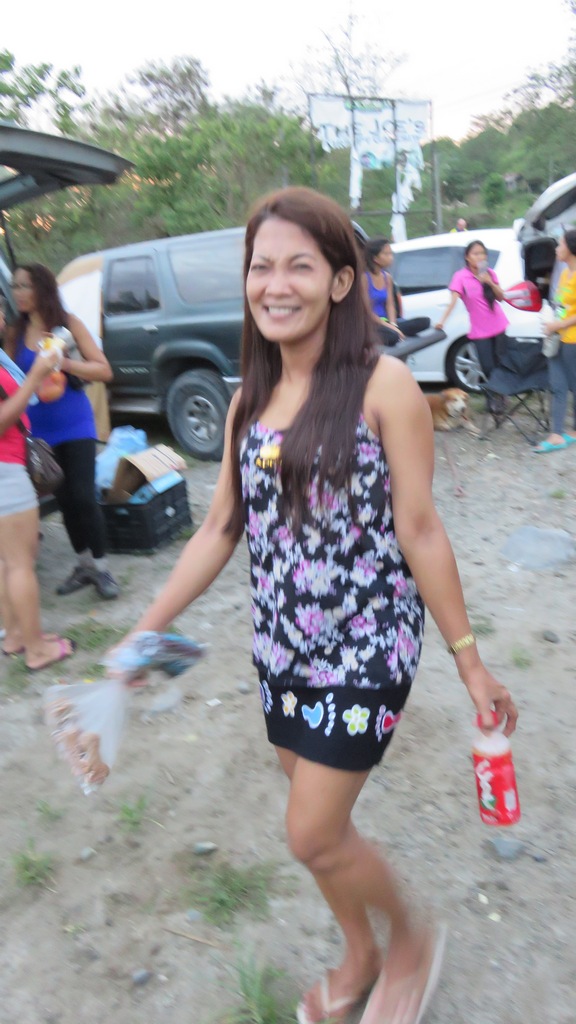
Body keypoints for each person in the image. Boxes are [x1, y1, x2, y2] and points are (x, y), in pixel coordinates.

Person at [113, 188, 517, 1024]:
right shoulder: (246, 401)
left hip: (368, 643)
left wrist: (470, 662)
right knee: (319, 825)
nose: (276, 284)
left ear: (339, 281)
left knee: (311, 832)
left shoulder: (384, 385)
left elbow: (420, 528)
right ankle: (360, 952)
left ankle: (410, 943)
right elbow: (219, 529)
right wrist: (141, 636)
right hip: (282, 646)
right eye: (261, 266)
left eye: (299, 265)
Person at [4, 264, 120, 600]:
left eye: (24, 286)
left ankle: (102, 568)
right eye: (15, 286)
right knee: (65, 499)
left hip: (75, 422)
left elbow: (104, 370)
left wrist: (63, 362)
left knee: (83, 496)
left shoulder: (68, 324)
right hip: (39, 431)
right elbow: (8, 378)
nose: (17, 293)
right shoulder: (14, 333)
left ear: (42, 288)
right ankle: (83, 565)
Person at [0, 301, 75, 670]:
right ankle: (36, 650)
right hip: (6, 469)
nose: (2, 316)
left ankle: (16, 635)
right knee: (20, 563)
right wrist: (35, 375)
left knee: (7, 561)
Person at [435, 240, 508, 402]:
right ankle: (493, 397)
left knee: (500, 363)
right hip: (480, 330)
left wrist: (489, 282)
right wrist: (442, 321)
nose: (480, 257)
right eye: (476, 254)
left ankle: (500, 398)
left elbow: (501, 297)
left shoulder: (490, 273)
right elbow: (453, 301)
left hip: (499, 324)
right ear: (467, 257)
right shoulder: (461, 276)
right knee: (487, 366)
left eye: (482, 253)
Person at [535, 229, 576, 453]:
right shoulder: (565, 273)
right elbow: (561, 305)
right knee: (558, 384)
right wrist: (551, 321)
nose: (557, 249)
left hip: (572, 340)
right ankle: (556, 433)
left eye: (560, 245)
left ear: (571, 248)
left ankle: (571, 431)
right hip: (558, 337)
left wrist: (556, 325)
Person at [362, 237, 430, 345]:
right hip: (372, 324)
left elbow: (390, 304)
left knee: (425, 322)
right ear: (375, 258)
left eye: (391, 253)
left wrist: (393, 324)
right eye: (386, 254)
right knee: (392, 336)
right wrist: (390, 327)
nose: (391, 257)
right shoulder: (364, 278)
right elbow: (366, 311)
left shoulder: (387, 277)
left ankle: (395, 331)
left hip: (386, 322)